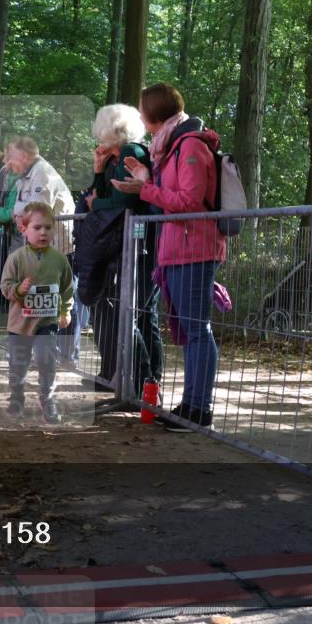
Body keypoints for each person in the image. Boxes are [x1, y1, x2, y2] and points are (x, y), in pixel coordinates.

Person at [113, 82, 225, 431]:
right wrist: (147, 178)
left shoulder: (190, 145)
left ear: (152, 114)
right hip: (178, 249)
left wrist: (144, 188)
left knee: (196, 330)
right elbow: (172, 195)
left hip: (195, 249)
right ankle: (191, 405)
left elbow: (190, 202)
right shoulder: (172, 146)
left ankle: (199, 408)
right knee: (191, 331)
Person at [80, 104, 163, 394]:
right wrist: (98, 171)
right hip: (120, 244)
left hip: (140, 244)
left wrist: (96, 205)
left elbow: (120, 203)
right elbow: (98, 196)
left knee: (135, 311)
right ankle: (117, 373)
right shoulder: (116, 157)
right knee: (123, 308)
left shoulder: (132, 152)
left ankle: (145, 381)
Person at [5, 136, 79, 368]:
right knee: (39, 296)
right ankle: (45, 351)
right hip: (42, 248)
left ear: (24, 156)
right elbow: (18, 210)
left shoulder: (43, 174)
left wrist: (19, 215)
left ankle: (68, 355)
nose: (7, 162)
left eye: (10, 156)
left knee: (63, 295)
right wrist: (17, 214)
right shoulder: (24, 178)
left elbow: (36, 210)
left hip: (59, 247)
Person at [0, 202, 74, 424]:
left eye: (48, 228)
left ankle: (48, 399)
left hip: (46, 322)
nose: (43, 232)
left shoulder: (59, 259)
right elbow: (5, 286)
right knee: (18, 364)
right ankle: (16, 397)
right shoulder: (16, 258)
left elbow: (67, 287)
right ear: (24, 229)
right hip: (20, 324)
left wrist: (65, 310)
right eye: (37, 227)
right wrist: (18, 290)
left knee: (46, 360)